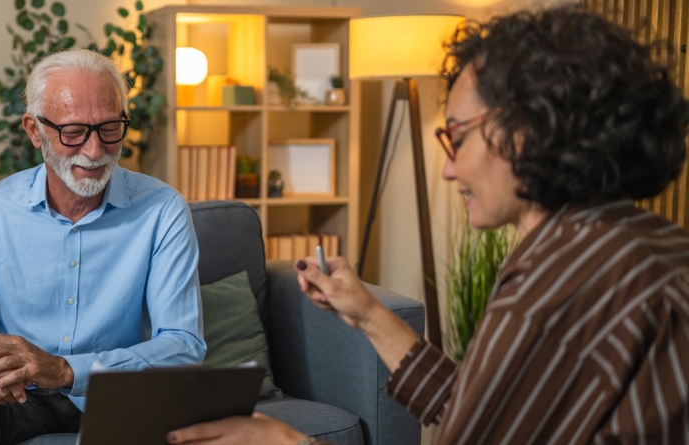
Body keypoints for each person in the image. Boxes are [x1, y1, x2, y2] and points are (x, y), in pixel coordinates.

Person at [167, 6, 689, 445]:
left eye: (456, 137)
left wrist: (289, 441)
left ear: (526, 130)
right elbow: (483, 410)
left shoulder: (555, 288)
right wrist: (368, 313)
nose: (448, 169)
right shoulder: (652, 246)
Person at [0, 49, 207, 445]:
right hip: (21, 397)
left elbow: (183, 344)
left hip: (117, 395)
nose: (95, 150)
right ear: (34, 130)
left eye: (109, 128)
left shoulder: (163, 209)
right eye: (73, 132)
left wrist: (65, 370)